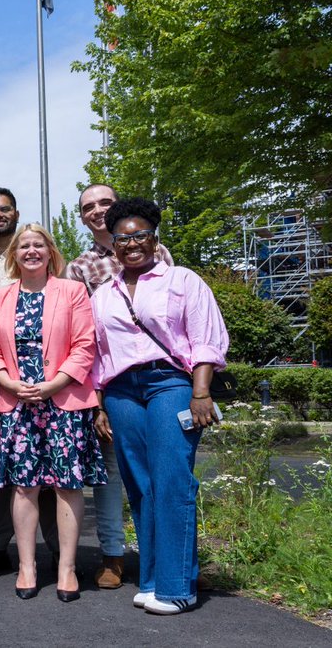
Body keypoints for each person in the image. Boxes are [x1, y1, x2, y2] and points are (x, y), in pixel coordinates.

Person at [91, 198, 228, 615]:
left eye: (140, 235)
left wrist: (200, 392)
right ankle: (150, 579)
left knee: (172, 479)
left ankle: (177, 587)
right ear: (112, 245)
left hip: (169, 382)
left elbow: (206, 338)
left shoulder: (182, 280)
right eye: (122, 238)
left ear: (154, 237)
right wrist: (99, 406)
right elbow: (98, 353)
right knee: (141, 485)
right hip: (120, 391)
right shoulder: (103, 293)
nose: (131, 243)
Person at [0, 224, 106, 602]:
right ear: (14, 255)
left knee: (67, 484)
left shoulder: (72, 291)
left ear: (51, 252)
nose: (31, 251)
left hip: (64, 399)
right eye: (24, 247)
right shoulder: (0, 298)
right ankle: (27, 565)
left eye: (39, 245)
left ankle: (66, 567)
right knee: (25, 485)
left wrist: (52, 385)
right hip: (17, 401)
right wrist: (8, 383)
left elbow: (86, 345)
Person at [64, 183, 174, 589]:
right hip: (111, 379)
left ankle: (163, 555)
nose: (97, 210)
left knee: (163, 468)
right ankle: (113, 555)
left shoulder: (155, 250)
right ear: (82, 217)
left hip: (163, 376)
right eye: (88, 206)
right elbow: (82, 333)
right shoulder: (79, 268)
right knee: (109, 475)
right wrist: (95, 400)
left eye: (104, 202)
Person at [0, 190, 58, 579]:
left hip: (44, 375)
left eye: (5, 209)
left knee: (49, 465)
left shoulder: (33, 247)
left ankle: (56, 546)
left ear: (16, 214)